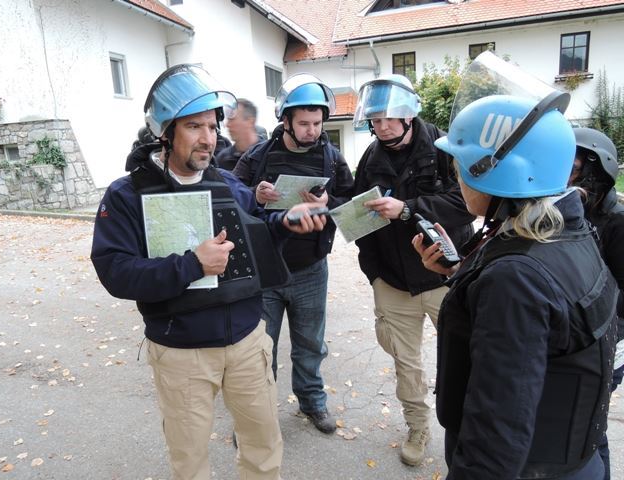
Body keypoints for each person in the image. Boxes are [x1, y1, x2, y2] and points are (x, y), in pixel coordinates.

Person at [90, 64, 328, 480]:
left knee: (263, 448)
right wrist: (191, 265)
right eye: (193, 126)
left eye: (213, 126)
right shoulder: (127, 195)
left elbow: (257, 231)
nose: (208, 138)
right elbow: (115, 271)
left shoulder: (228, 185)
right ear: (165, 132)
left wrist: (285, 222)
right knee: (190, 461)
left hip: (247, 343)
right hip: (181, 352)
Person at [412, 51, 617, 479]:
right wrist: (459, 274)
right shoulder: (566, 230)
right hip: (575, 459)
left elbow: (495, 433)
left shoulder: (516, 278)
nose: (457, 175)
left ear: (497, 171)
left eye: (460, 164)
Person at [351, 73, 475, 466]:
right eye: (375, 120)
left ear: (407, 115)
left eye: (388, 118)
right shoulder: (370, 159)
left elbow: (467, 203)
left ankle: (474, 429)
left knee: (469, 355)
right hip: (393, 282)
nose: (381, 126)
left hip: (445, 276)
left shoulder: (444, 148)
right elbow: (359, 217)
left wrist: (407, 209)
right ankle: (418, 427)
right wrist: (374, 275)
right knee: (406, 364)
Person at [233, 73, 354, 434]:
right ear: (285, 120)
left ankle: (312, 402)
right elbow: (228, 199)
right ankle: (259, 416)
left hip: (311, 270)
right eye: (303, 123)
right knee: (260, 349)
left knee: (310, 344)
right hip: (265, 270)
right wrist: (254, 194)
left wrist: (330, 201)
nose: (312, 130)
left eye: (317, 123)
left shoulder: (332, 159)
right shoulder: (257, 156)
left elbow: (352, 205)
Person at [569, 127, 624, 480]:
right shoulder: (569, 213)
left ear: (595, 171)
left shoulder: (617, 222)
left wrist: (608, 339)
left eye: (572, 169)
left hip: (609, 338)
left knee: (589, 425)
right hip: (577, 336)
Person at [214, 98, 262, 171]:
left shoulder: (267, 154)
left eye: (232, 119)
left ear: (250, 121)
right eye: (228, 119)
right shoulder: (222, 159)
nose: (227, 125)